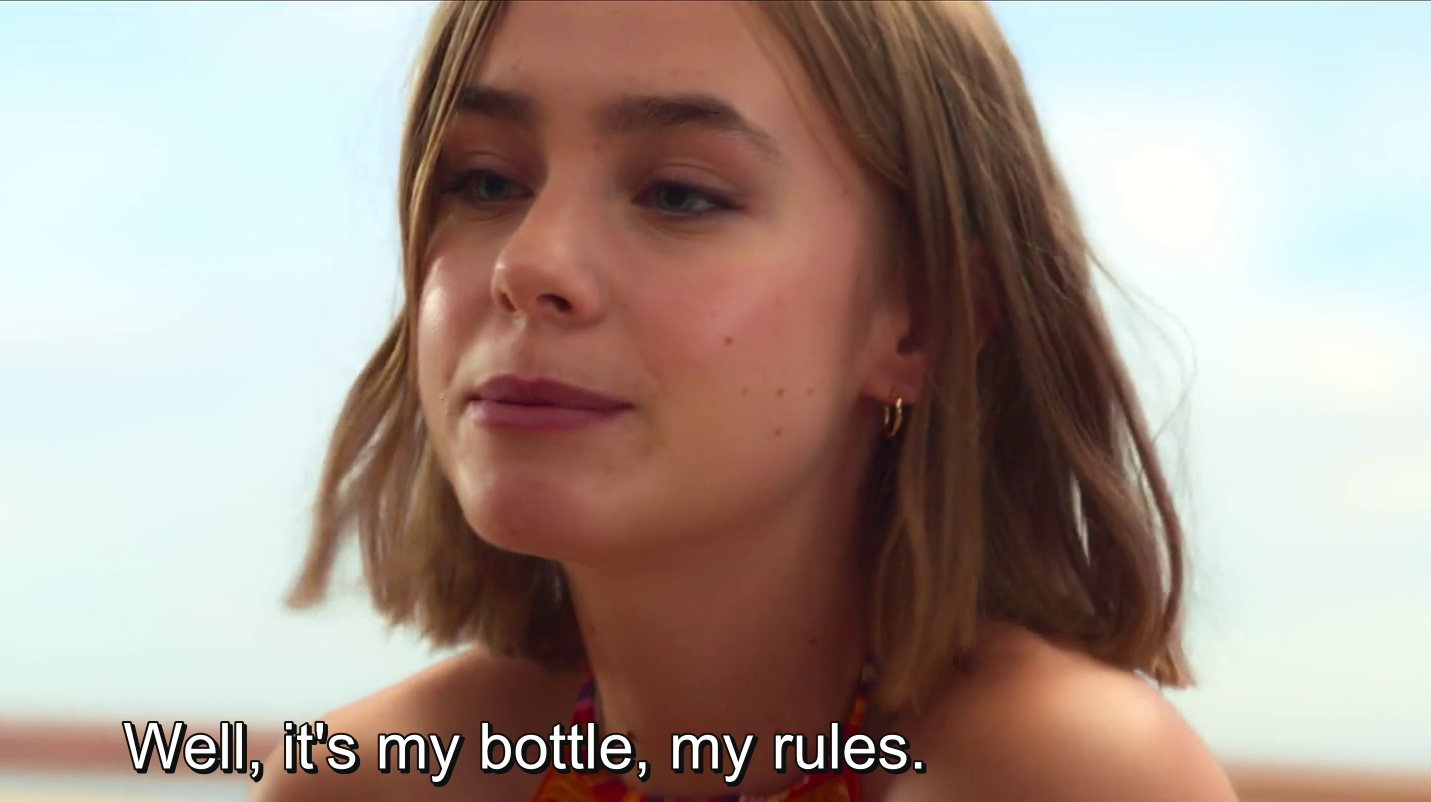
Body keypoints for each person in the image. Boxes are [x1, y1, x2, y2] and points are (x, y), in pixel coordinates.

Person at [256, 1, 1236, 800]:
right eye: (484, 182)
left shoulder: (1070, 779)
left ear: (922, 324)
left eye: (679, 195)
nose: (528, 264)